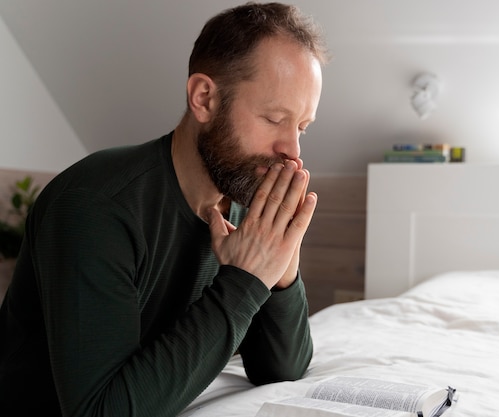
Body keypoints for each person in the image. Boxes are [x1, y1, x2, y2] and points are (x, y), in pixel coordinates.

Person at [0, 2, 329, 416]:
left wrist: (281, 273)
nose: (293, 152)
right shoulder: (95, 205)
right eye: (274, 118)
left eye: (301, 127)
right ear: (204, 98)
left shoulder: (245, 197)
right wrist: (244, 281)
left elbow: (280, 368)